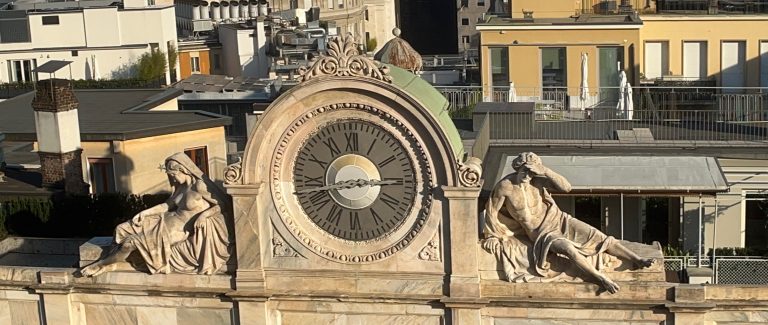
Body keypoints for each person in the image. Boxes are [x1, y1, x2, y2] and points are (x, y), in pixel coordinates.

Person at [484, 152, 653, 293]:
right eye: (525, 171)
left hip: (559, 219)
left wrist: (545, 170)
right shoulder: (505, 186)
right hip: (541, 233)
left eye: (531, 172)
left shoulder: (538, 181)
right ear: (518, 167)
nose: (528, 175)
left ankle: (637, 259)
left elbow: (566, 187)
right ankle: (600, 278)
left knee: (598, 236)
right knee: (567, 249)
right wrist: (491, 235)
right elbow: (491, 210)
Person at [80, 153, 232, 277]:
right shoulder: (181, 188)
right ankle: (112, 259)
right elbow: (167, 205)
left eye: (173, 174)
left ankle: (103, 264)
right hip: (163, 221)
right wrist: (144, 213)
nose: (172, 179)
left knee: (130, 243)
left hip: (177, 230)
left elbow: (223, 204)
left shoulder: (200, 186)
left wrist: (204, 215)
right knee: (122, 229)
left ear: (184, 169)